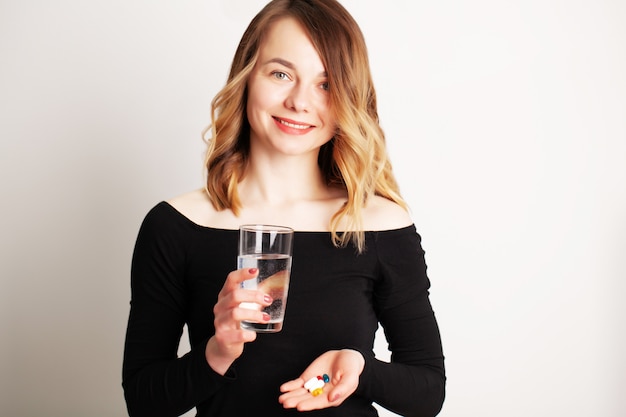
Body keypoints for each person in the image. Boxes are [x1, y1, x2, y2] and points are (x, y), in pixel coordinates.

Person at [122, 0, 446, 416]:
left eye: (325, 84)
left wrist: (360, 370)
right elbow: (143, 401)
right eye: (280, 73)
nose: (299, 101)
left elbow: (427, 391)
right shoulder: (177, 225)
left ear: (347, 98)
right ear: (246, 78)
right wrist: (218, 352)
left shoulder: (379, 224)